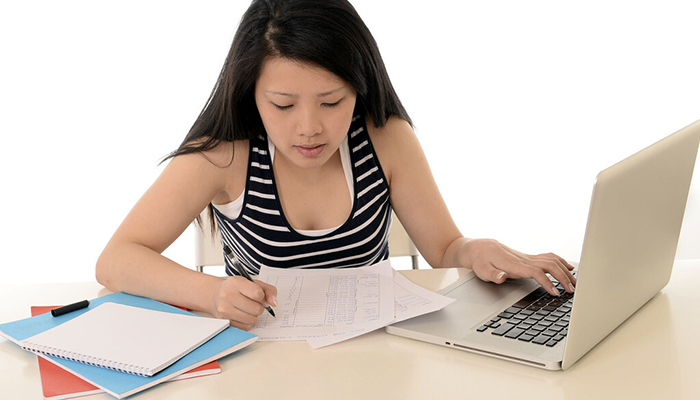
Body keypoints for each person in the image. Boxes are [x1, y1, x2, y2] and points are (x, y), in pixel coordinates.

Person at [96, 0, 576, 331]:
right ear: (250, 94)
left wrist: (476, 250)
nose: (309, 128)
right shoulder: (226, 152)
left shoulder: (386, 138)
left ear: (359, 88)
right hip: (266, 363)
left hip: (375, 354)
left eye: (331, 102)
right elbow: (116, 260)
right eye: (283, 105)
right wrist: (211, 293)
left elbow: (445, 249)